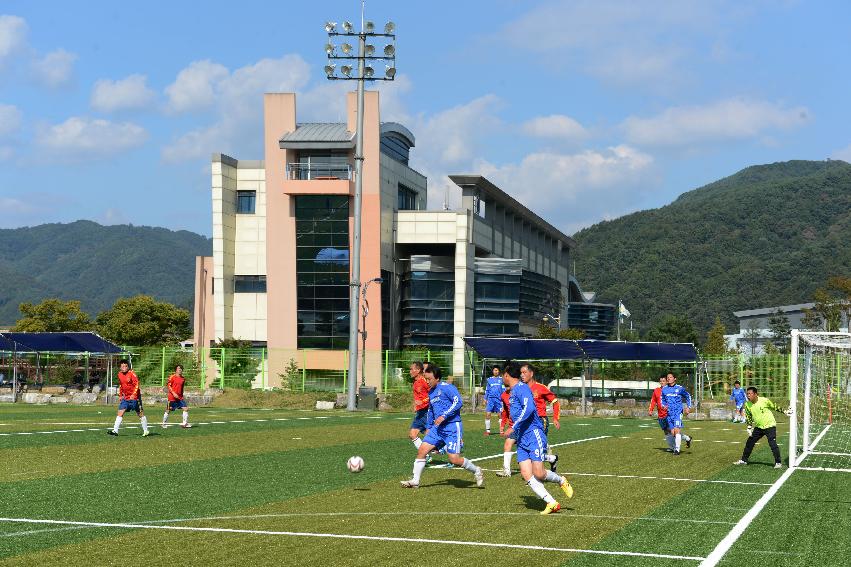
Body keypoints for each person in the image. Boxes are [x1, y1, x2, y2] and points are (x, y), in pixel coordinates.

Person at [501, 364, 573, 514]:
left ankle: (561, 480)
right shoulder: (513, 391)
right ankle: (551, 503)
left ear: (507, 375)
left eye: (503, 374)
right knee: (526, 473)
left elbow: (529, 409)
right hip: (522, 438)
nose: (502, 378)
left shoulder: (522, 388)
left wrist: (514, 426)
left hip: (534, 435)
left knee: (539, 473)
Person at [401, 364, 483, 488]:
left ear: (437, 378)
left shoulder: (447, 388)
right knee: (422, 451)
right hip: (437, 429)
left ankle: (476, 470)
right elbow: (431, 411)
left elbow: (458, 402)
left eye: (429, 379)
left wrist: (444, 416)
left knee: (454, 459)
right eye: (426, 379)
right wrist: (429, 427)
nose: (427, 382)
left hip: (452, 427)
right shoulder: (431, 392)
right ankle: (415, 481)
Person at [734, 386, 788, 469]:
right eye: (747, 394)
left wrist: (785, 411)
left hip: (770, 425)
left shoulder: (764, 400)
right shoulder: (747, 404)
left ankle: (778, 463)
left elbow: (774, 406)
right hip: (759, 427)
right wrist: (749, 427)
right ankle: (744, 460)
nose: (748, 395)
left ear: (755, 394)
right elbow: (749, 416)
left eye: (750, 394)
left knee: (772, 443)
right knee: (750, 442)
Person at [520, 363, 560, 471]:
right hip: (526, 422)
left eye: (524, 372)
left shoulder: (540, 388)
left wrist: (555, 418)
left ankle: (537, 475)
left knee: (536, 448)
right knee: (526, 447)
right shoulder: (521, 388)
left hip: (540, 421)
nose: (522, 375)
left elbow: (555, 401)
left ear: (531, 373)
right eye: (521, 373)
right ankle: (552, 459)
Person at [108, 359, 149, 437]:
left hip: (135, 398)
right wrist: (120, 395)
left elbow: (137, 384)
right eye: (122, 366)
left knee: (140, 413)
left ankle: (146, 430)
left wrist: (134, 394)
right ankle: (115, 431)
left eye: (126, 366)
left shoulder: (132, 374)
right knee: (120, 411)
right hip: (126, 398)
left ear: (128, 367)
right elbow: (121, 385)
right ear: (120, 367)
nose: (124, 367)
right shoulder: (119, 374)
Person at [660, 372, 692, 455]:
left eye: (670, 377)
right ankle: (688, 438)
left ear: (675, 379)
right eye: (668, 377)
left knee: (677, 430)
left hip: (678, 412)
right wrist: (664, 406)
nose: (668, 378)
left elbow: (688, 396)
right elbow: (662, 400)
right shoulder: (664, 389)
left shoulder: (680, 388)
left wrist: (688, 407)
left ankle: (677, 450)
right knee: (673, 433)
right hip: (669, 413)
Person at [408, 361, 430, 450]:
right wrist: (416, 405)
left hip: (427, 412)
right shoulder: (415, 382)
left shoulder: (424, 381)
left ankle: (450, 448)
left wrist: (422, 402)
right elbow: (418, 397)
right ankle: (426, 455)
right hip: (421, 412)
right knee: (413, 434)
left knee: (430, 436)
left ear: (418, 370)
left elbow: (433, 394)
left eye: (411, 369)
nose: (410, 371)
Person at [162, 364, 191, 429]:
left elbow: (182, 388)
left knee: (186, 409)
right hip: (172, 397)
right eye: (178, 369)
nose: (180, 370)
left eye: (181, 369)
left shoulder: (183, 379)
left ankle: (184, 423)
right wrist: (173, 393)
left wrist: (182, 395)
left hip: (180, 397)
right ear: (176, 370)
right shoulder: (172, 377)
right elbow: (169, 386)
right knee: (168, 410)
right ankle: (163, 423)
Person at [483, 365, 504, 435]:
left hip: (499, 400)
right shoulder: (489, 380)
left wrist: (504, 399)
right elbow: (487, 390)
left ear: (499, 371)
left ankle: (501, 431)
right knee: (488, 414)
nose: (496, 371)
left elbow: (503, 390)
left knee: (500, 415)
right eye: (495, 370)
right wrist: (485, 399)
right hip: (490, 400)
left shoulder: (502, 379)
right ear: (493, 371)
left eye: (497, 370)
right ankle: (488, 431)